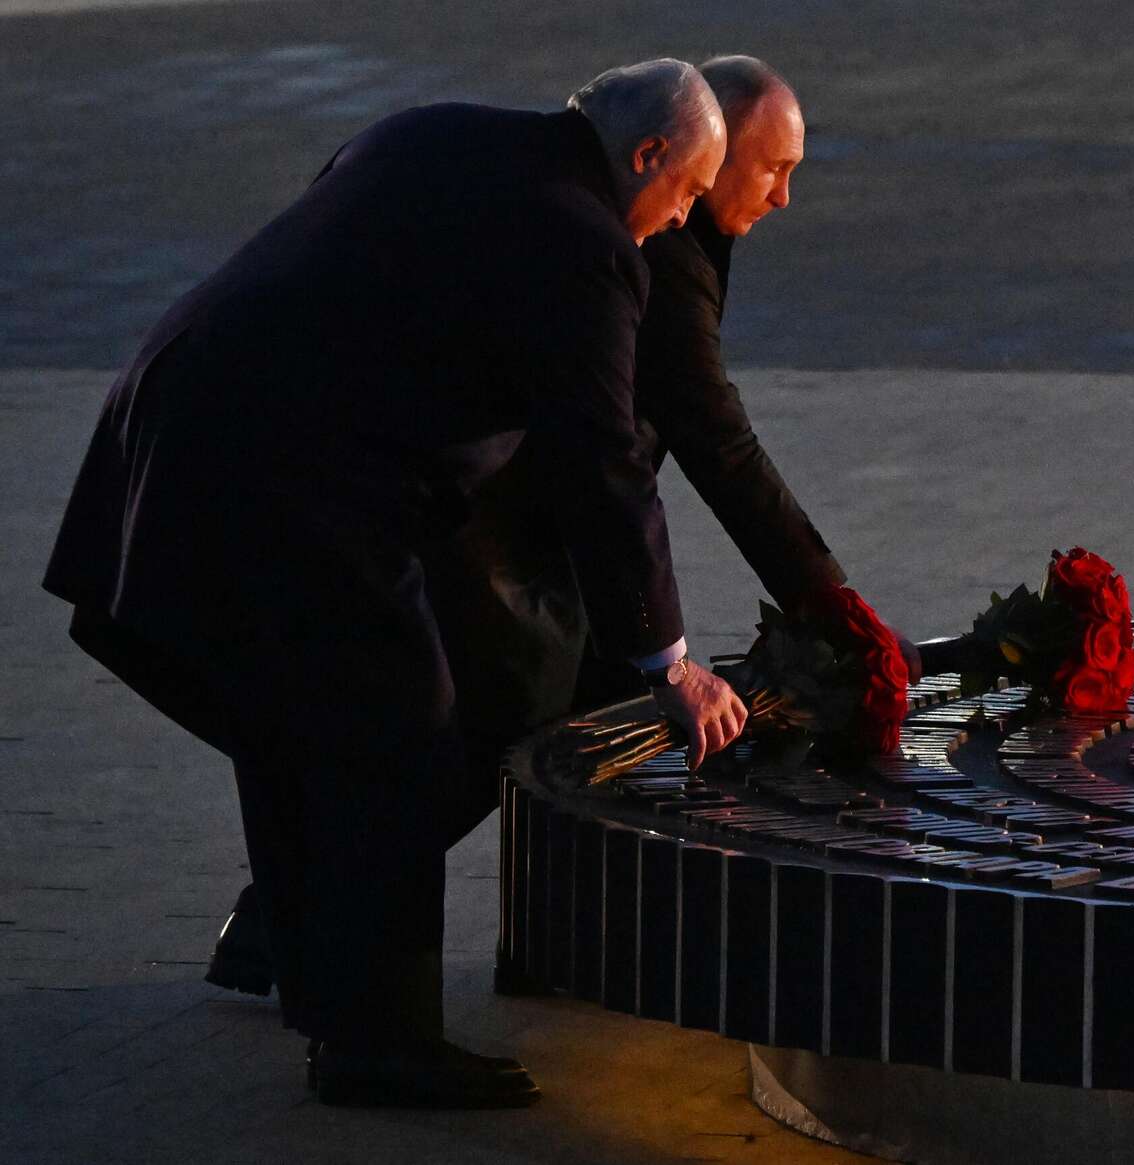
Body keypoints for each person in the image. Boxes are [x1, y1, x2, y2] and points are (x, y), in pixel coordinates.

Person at [42, 60, 746, 1108]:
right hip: (297, 478)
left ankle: (310, 968)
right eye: (686, 192)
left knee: (295, 722)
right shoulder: (589, 243)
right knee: (400, 730)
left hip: (172, 417)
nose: (678, 220)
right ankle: (380, 1041)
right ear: (645, 155)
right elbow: (602, 465)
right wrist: (669, 661)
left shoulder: (432, 129)